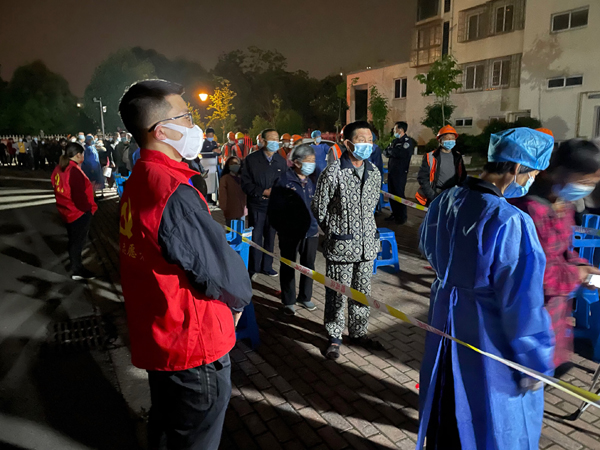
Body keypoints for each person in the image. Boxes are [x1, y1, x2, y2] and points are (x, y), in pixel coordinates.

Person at [118, 79, 252, 450]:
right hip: (193, 347)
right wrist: (238, 302)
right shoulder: (172, 192)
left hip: (162, 337)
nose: (195, 125)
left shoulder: (140, 180)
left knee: (168, 430)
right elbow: (219, 272)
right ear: (162, 130)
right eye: (187, 117)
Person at [417, 128, 555, 450]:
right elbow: (523, 304)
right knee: (487, 422)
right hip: (487, 338)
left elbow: (426, 245)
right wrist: (535, 361)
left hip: (444, 325)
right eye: (533, 173)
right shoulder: (510, 220)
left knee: (445, 408)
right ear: (517, 168)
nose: (532, 180)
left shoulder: (445, 200)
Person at [511, 138, 600, 374]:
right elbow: (536, 272)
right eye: (584, 181)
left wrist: (582, 265)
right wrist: (578, 274)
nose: (588, 189)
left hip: (555, 315)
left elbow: (563, 249)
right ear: (559, 172)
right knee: (529, 375)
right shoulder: (528, 210)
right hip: (529, 316)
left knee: (553, 369)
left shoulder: (564, 205)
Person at [311, 121, 383, 360]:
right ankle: (334, 336)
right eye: (362, 140)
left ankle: (358, 333)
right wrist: (334, 230)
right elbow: (319, 207)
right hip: (341, 246)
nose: (367, 144)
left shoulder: (374, 172)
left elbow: (372, 208)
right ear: (348, 143)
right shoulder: (333, 172)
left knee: (362, 292)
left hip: (367, 246)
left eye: (370, 140)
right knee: (337, 293)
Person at [268, 144, 319, 316]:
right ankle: (288, 301)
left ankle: (305, 297)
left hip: (311, 231)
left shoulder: (312, 180)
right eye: (308, 160)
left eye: (313, 160)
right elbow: (274, 210)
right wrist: (283, 228)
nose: (312, 164)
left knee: (309, 266)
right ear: (297, 162)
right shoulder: (283, 181)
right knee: (288, 266)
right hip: (289, 233)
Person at [241, 128, 287, 279]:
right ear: (263, 141)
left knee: (270, 237)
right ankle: (253, 267)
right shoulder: (252, 160)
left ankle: (267, 266)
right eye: (272, 139)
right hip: (257, 205)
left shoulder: (280, 161)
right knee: (256, 236)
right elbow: (245, 184)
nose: (275, 142)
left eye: (277, 139)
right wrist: (263, 192)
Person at [51, 142, 98, 280]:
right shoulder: (74, 171)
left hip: (65, 210)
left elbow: (55, 184)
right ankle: (77, 270)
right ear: (78, 155)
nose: (83, 156)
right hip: (78, 212)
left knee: (73, 240)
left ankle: (76, 267)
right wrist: (88, 210)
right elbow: (79, 196)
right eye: (82, 154)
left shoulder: (59, 168)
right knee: (77, 242)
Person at [416, 125, 466, 206]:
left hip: (453, 194)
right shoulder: (431, 156)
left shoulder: (457, 156)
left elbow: (463, 176)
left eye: (452, 138)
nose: (450, 141)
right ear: (440, 140)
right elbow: (422, 178)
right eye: (447, 138)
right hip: (437, 193)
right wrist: (432, 196)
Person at [383, 122, 414, 224]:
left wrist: (392, 151)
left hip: (400, 172)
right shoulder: (395, 141)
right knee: (391, 194)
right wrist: (392, 151)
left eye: (395, 128)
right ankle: (395, 214)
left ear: (400, 129)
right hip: (392, 171)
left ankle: (401, 217)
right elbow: (386, 152)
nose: (393, 130)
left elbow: (401, 154)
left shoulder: (407, 141)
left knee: (399, 194)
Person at [218, 156, 246, 226]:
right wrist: (224, 207)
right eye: (232, 163)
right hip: (230, 210)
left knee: (241, 229)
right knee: (231, 229)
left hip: (242, 209)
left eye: (237, 163)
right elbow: (222, 194)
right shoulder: (225, 178)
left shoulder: (243, 177)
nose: (235, 165)